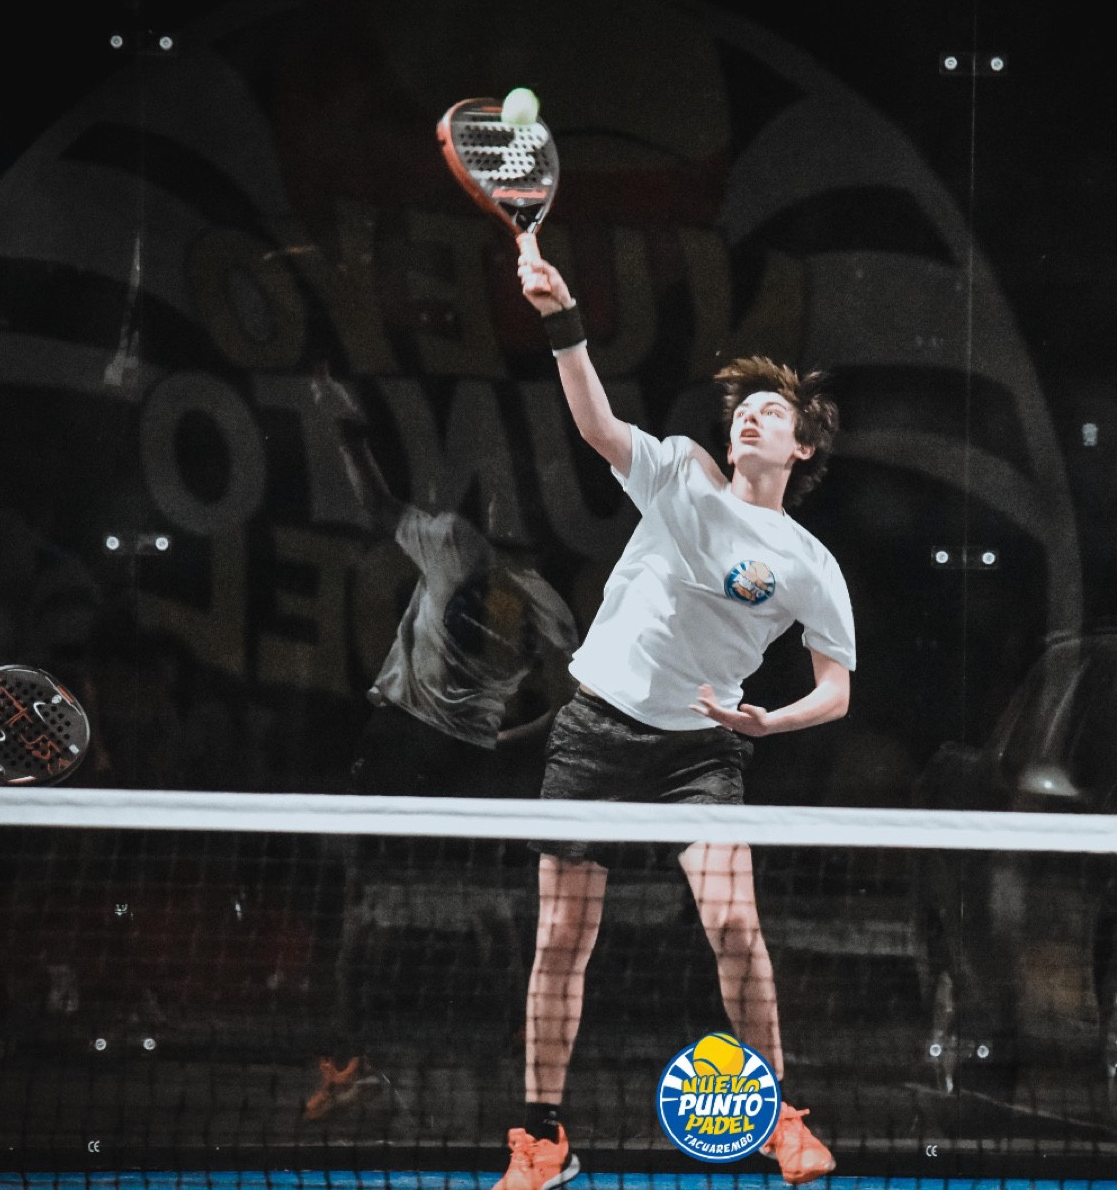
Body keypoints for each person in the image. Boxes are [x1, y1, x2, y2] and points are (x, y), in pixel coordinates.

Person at [490, 234, 855, 1190]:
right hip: (594, 733)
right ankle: (544, 1140)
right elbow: (597, 424)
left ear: (801, 447)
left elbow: (836, 688)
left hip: (701, 753)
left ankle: (780, 1119)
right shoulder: (681, 471)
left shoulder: (811, 564)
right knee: (561, 941)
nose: (752, 416)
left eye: (773, 412)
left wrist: (770, 723)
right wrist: (564, 322)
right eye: (745, 409)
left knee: (735, 927)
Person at [301, 375, 580, 1123]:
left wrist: (350, 433)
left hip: (406, 746)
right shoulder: (551, 609)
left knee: (383, 910)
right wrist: (503, 741)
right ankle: (499, 1060)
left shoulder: (457, 545)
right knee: (479, 918)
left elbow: (376, 506)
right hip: (461, 762)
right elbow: (574, 703)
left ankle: (361, 1062)